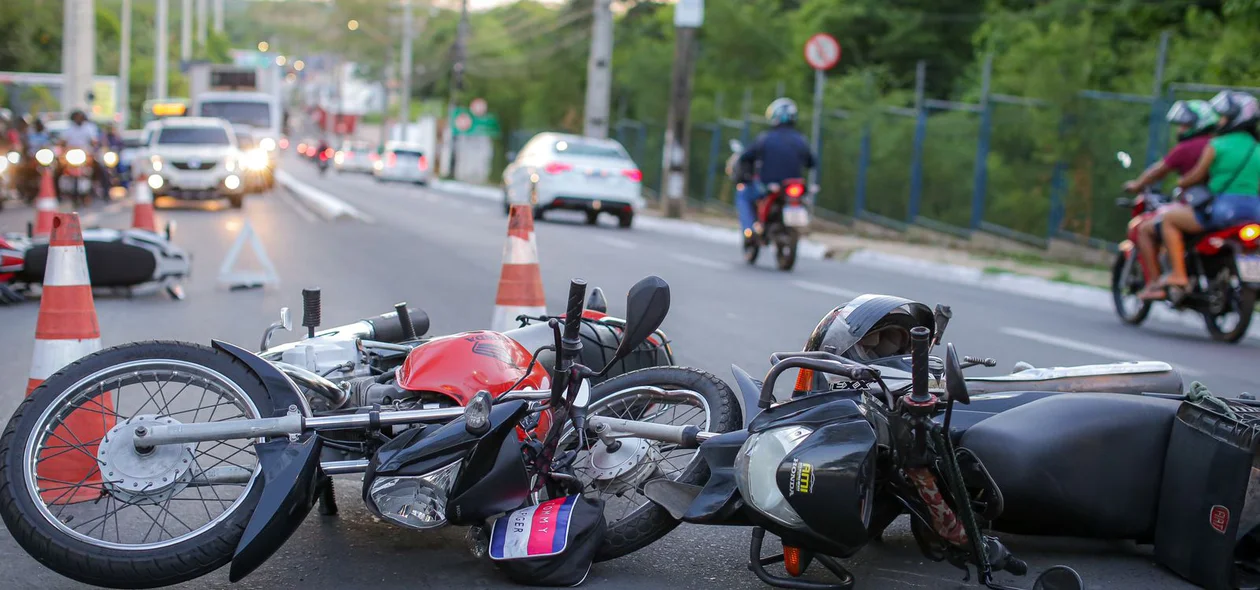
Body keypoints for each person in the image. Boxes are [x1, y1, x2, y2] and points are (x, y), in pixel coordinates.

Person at [1157, 90, 1260, 297]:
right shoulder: (1257, 148)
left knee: (1168, 219)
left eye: (1224, 117)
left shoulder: (1217, 145)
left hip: (1222, 211)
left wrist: (1181, 181)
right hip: (1255, 212)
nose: (1220, 121)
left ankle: (1178, 274)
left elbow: (1196, 177)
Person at [1124, 100, 1218, 299]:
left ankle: (1159, 282)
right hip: (1225, 209)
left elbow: (1159, 171)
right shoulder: (1219, 144)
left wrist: (1137, 185)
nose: (1181, 129)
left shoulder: (1190, 148)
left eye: (1186, 125)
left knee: (1146, 228)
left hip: (1200, 210)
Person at [735, 98, 816, 243]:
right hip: (792, 187)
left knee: (743, 195)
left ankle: (749, 231)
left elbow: (746, 157)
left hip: (769, 186)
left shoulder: (765, 139)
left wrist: (744, 176)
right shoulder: (801, 140)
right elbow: (811, 162)